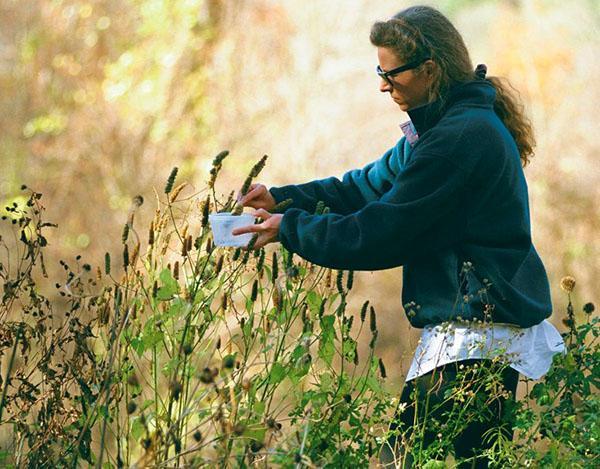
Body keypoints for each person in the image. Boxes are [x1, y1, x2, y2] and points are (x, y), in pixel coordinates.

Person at [232, 5, 564, 467]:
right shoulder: (439, 130)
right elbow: (365, 186)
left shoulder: (459, 140)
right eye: (379, 71)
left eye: (392, 74)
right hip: (474, 334)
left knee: (399, 461)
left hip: (475, 338)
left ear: (430, 69)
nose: (383, 85)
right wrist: (284, 201)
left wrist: (292, 231)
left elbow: (382, 232)